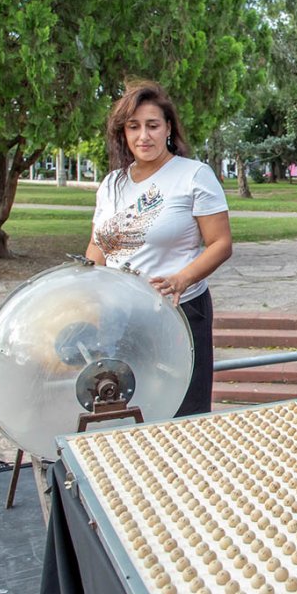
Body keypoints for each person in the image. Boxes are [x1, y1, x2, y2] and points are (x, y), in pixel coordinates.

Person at [86, 80, 232, 417]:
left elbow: (221, 243)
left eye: (152, 126)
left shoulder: (194, 175)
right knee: (127, 408)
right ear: (123, 133)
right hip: (121, 318)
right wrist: (87, 297)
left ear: (169, 127)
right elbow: (98, 246)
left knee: (181, 413)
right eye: (133, 127)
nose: (143, 136)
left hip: (178, 313)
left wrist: (182, 279)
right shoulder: (112, 184)